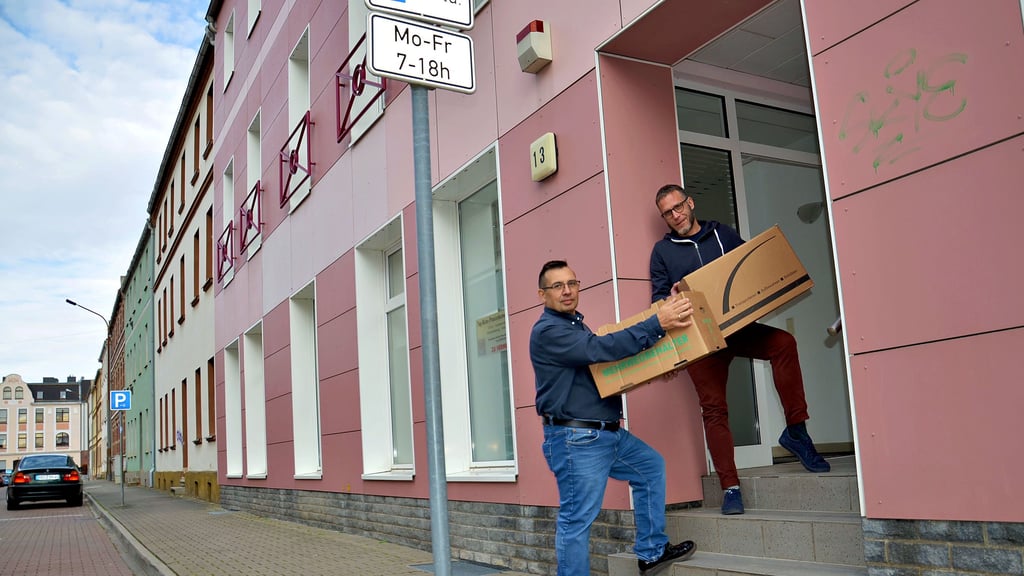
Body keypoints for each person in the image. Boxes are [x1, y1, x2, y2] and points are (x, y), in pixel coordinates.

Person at [649, 184, 830, 516]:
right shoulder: (662, 252)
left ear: (690, 202)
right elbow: (658, 302)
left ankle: (796, 432)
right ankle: (730, 488)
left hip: (738, 329)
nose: (675, 216)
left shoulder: (721, 233)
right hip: (701, 341)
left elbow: (750, 267)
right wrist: (670, 298)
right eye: (667, 213)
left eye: (678, 207)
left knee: (784, 344)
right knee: (714, 410)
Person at [530, 259, 697, 576]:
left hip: (606, 434)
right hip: (577, 439)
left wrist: (654, 369)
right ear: (542, 295)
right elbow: (600, 349)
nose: (567, 291)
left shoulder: (574, 326)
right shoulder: (549, 331)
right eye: (557, 286)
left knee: (650, 467)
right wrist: (657, 323)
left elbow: (601, 372)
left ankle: (651, 552)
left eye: (572, 283)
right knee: (577, 518)